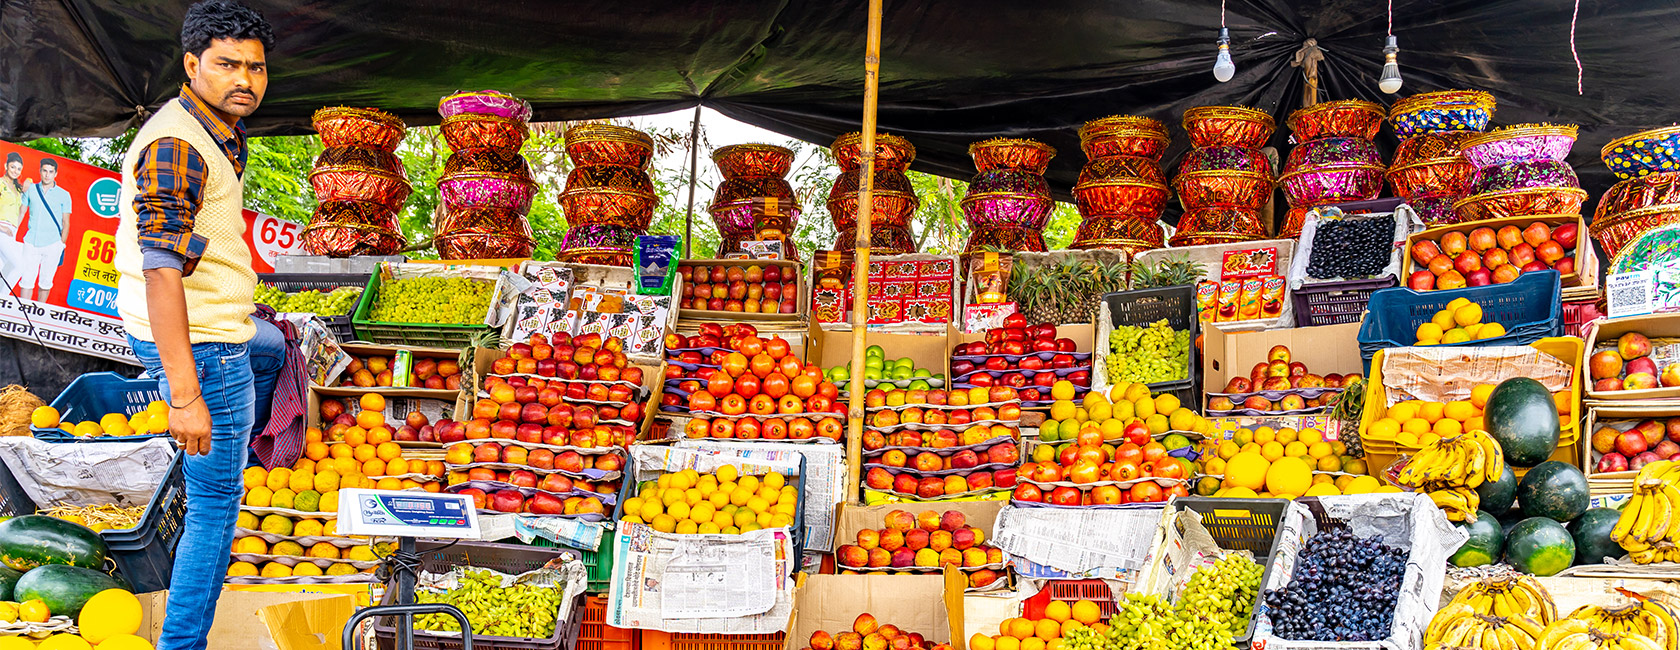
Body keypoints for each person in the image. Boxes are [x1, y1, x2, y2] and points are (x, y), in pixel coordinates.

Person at [110, 2, 287, 648]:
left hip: (214, 330)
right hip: (199, 344)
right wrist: (185, 394)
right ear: (192, 64)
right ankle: (181, 644)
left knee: (273, 347)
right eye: (227, 64)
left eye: (256, 67)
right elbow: (163, 271)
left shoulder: (216, 128)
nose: (246, 79)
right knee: (216, 504)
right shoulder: (176, 144)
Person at [18, 157, 71, 302]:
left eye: (51, 172)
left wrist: (61, 244)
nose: (47, 174)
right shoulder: (31, 189)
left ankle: (38, 315)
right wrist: (13, 230)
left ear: (56, 174)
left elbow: (66, 222)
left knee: (46, 281)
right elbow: (21, 212)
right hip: (31, 241)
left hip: (53, 243)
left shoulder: (64, 195)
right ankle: (23, 313)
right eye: (45, 171)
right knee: (27, 279)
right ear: (40, 171)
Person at [0, 153, 23, 293]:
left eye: (19, 169)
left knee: (1, 266)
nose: (15, 170)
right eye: (12, 167)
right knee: (20, 266)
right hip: (2, 228)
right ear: (6, 166)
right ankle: (2, 299)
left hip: (11, 232)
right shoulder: (1, 184)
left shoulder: (17, 189)